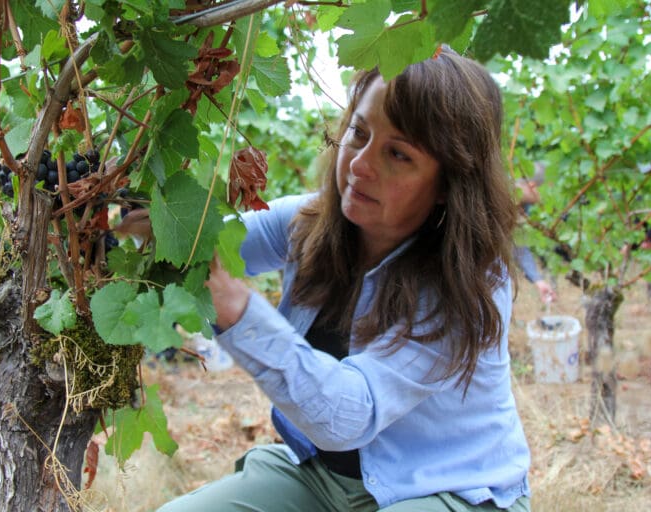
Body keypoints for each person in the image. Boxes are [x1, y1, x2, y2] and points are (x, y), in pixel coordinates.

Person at [158, 47, 531, 511]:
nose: (359, 165)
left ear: (448, 183)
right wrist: (150, 218)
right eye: (359, 133)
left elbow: (348, 416)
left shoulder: (471, 281)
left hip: (452, 489)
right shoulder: (309, 223)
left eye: (398, 154)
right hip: (325, 480)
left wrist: (238, 312)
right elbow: (209, 241)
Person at [514, 165, 556, 304]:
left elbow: (519, 247)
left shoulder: (522, 207)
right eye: (544, 191)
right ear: (532, 187)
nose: (543, 199)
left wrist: (538, 281)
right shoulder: (498, 200)